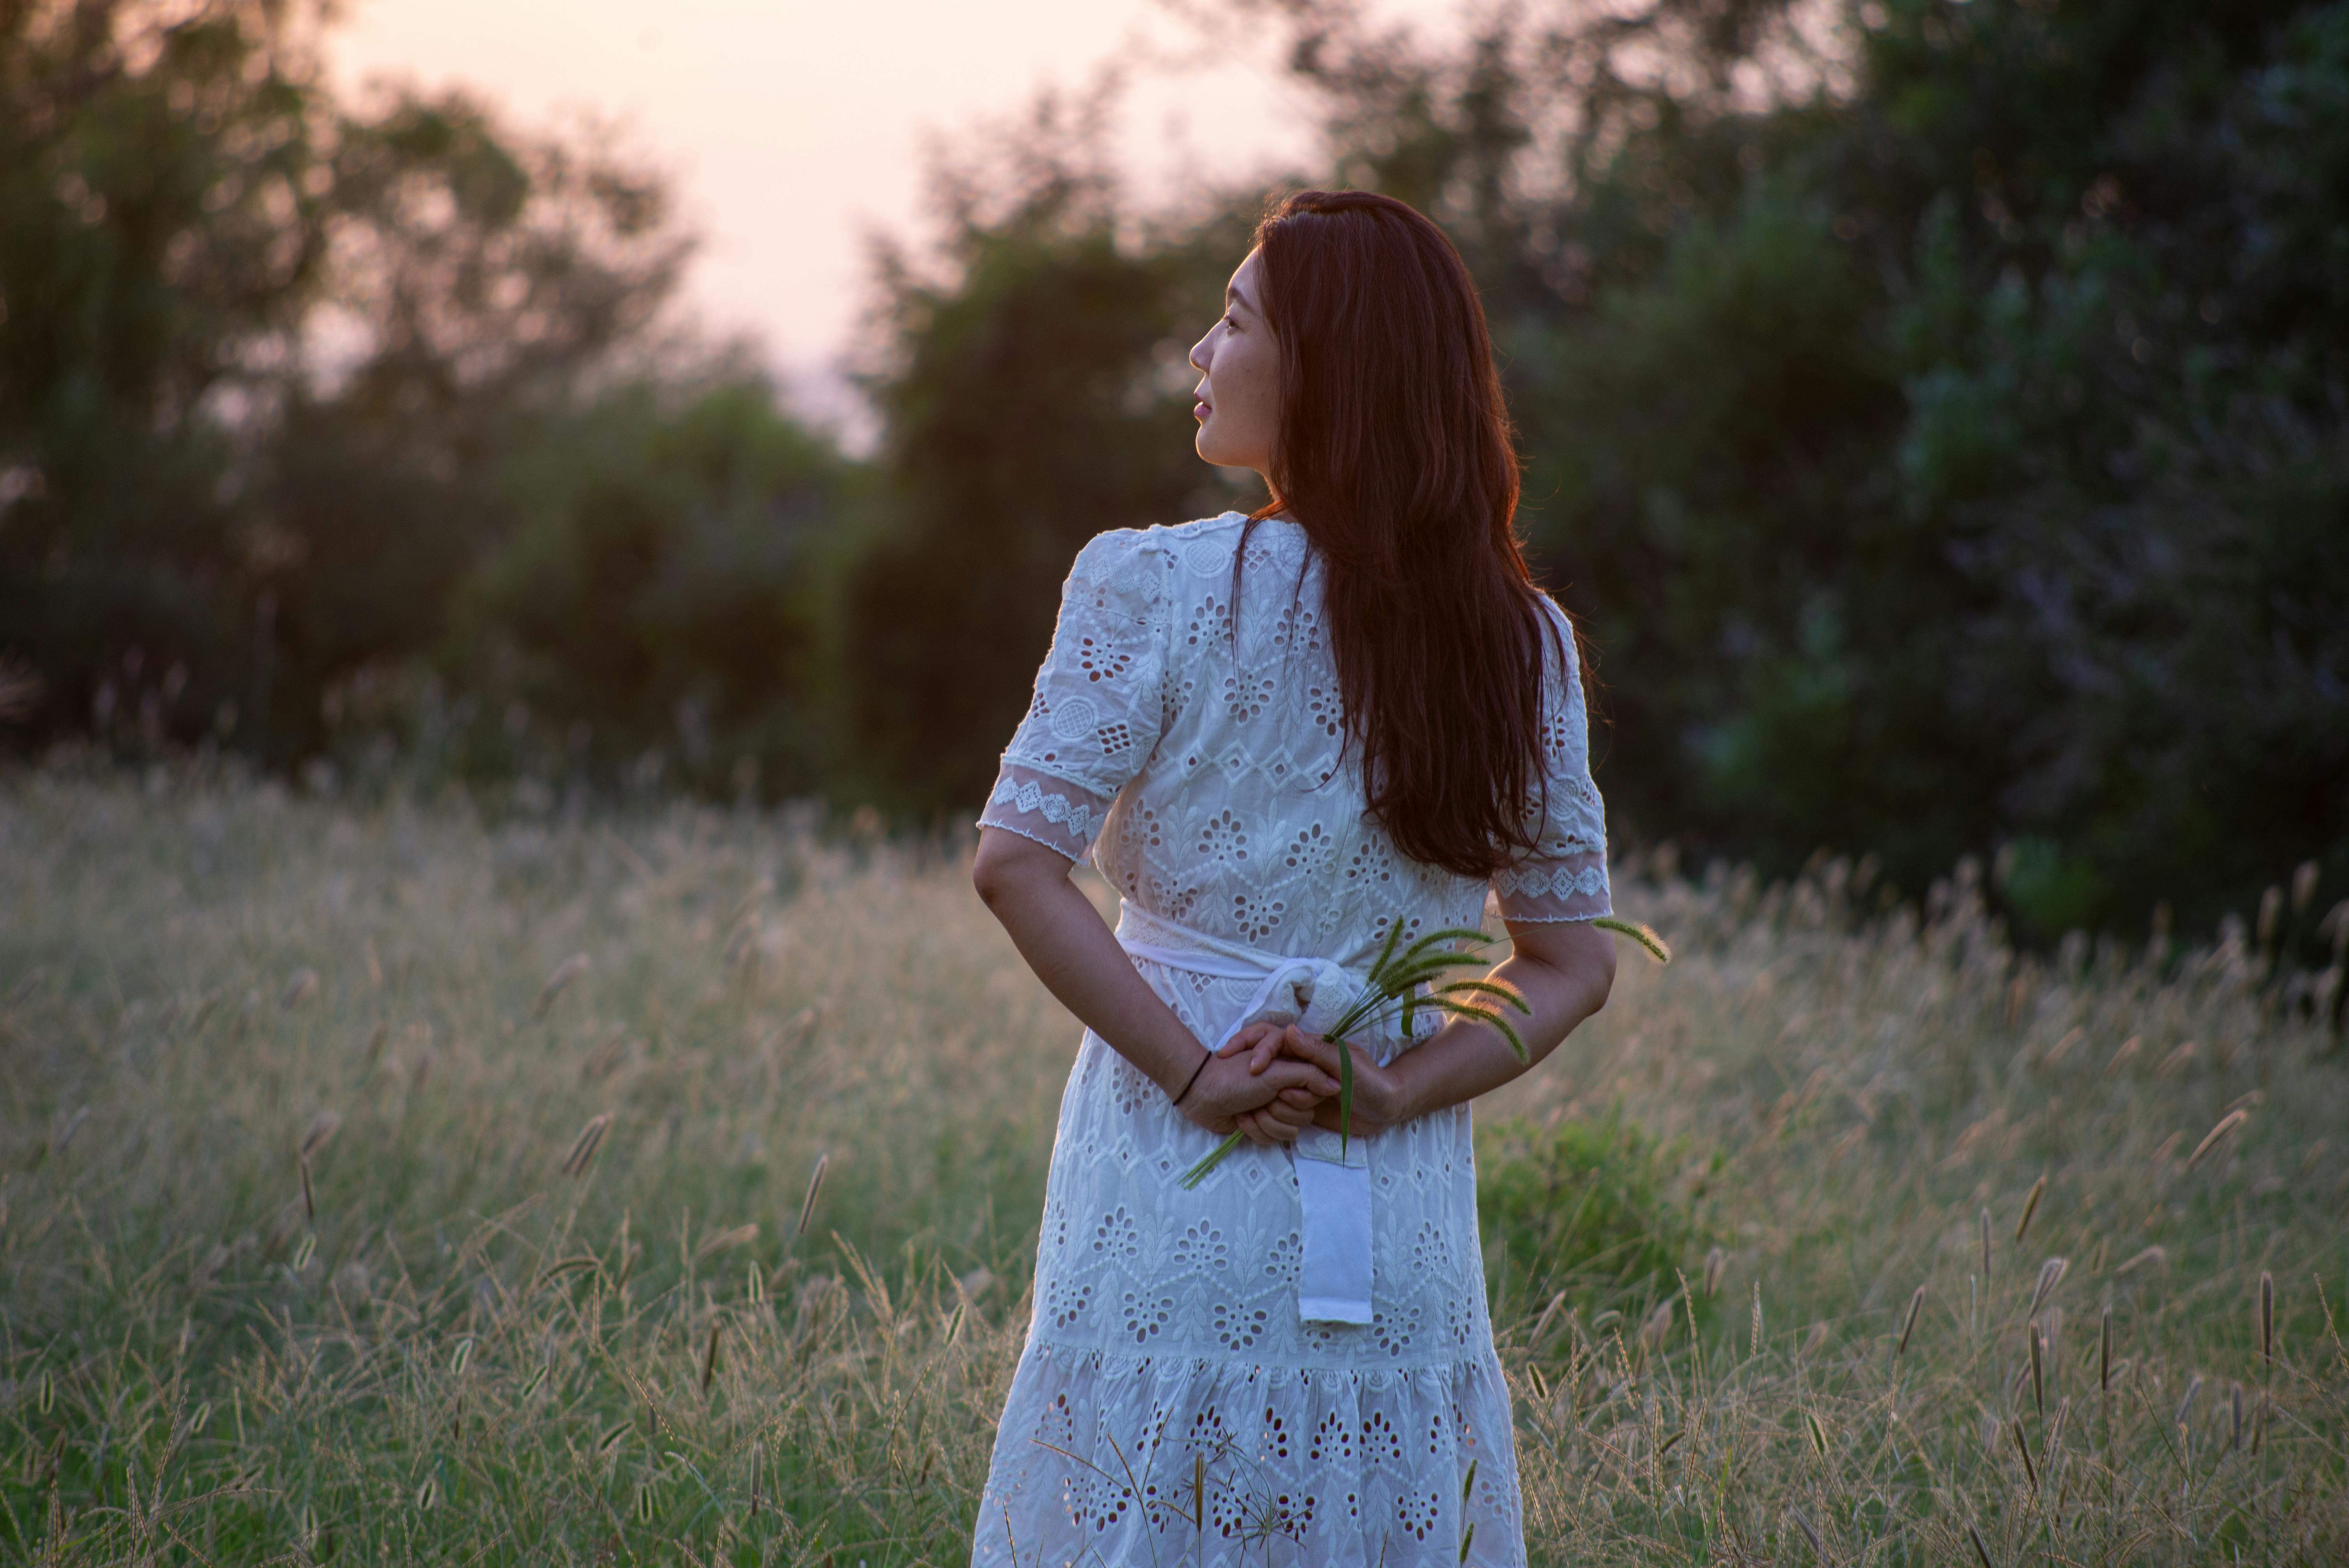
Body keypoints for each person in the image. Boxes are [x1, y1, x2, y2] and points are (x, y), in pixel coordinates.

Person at [967, 188, 1618, 1566]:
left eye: (1234, 320)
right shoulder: (1521, 639)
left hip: (1170, 1168)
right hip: (1395, 1195)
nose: (1201, 354)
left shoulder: (1149, 586)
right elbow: (1574, 961)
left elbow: (1016, 866)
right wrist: (1395, 1091)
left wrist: (1198, 1074)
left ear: (1324, 370)